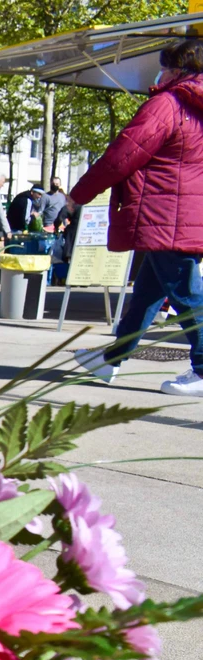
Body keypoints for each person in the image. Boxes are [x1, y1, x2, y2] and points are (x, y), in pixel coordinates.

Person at [69, 38, 203, 396]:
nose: (159, 73)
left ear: (177, 70)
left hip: (164, 214)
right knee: (146, 295)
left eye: (164, 66)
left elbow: (122, 154)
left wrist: (78, 194)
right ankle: (110, 358)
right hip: (186, 214)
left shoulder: (168, 104)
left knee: (188, 295)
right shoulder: (198, 108)